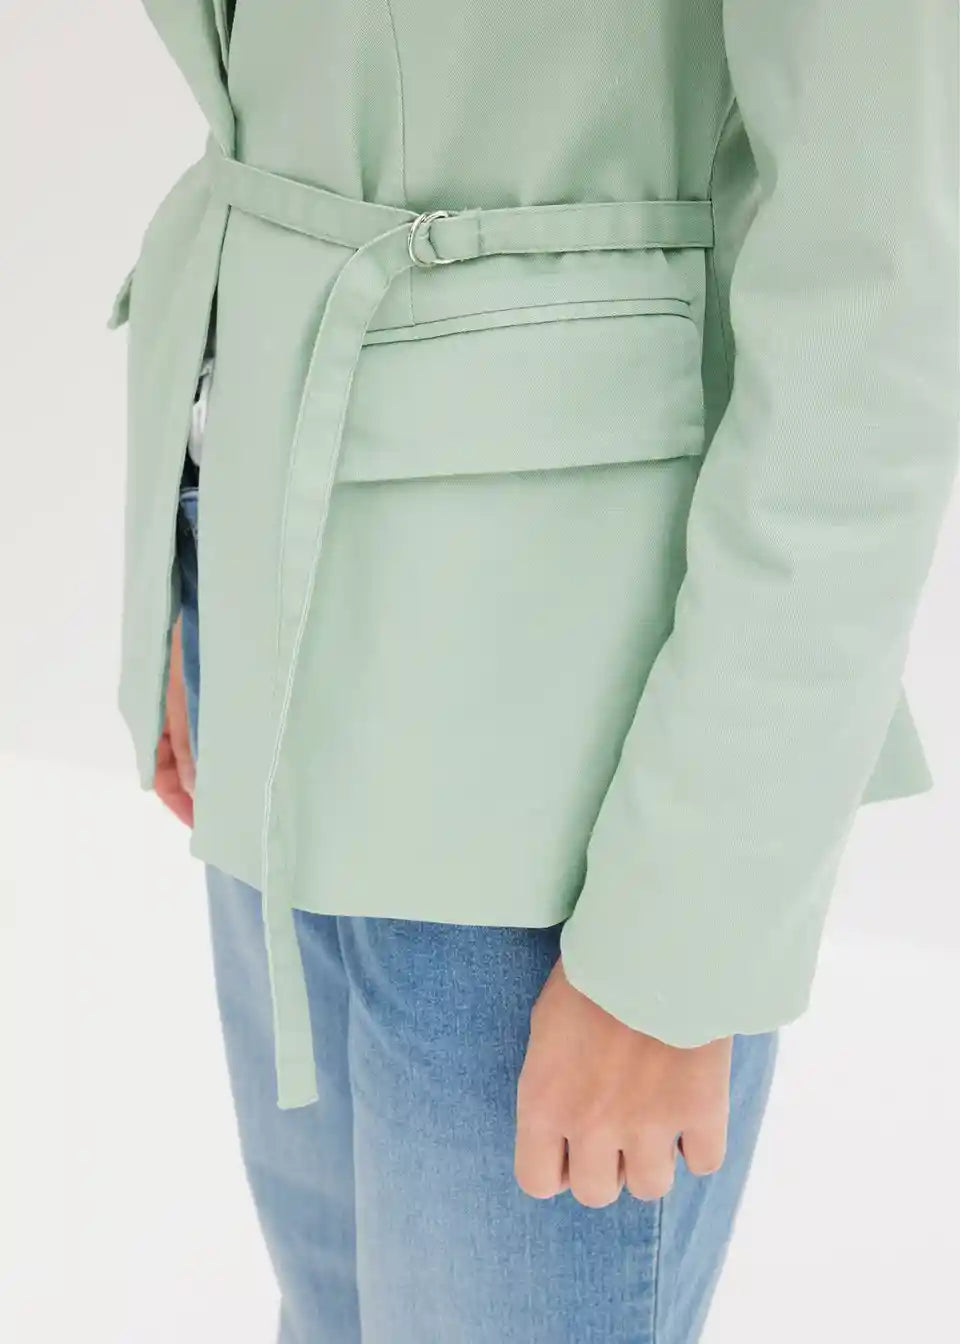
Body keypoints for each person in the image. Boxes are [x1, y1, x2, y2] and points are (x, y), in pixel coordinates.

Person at [111, 2, 958, 1340]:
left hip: (561, 759)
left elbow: (875, 301)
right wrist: (192, 564)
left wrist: (686, 938)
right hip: (264, 647)